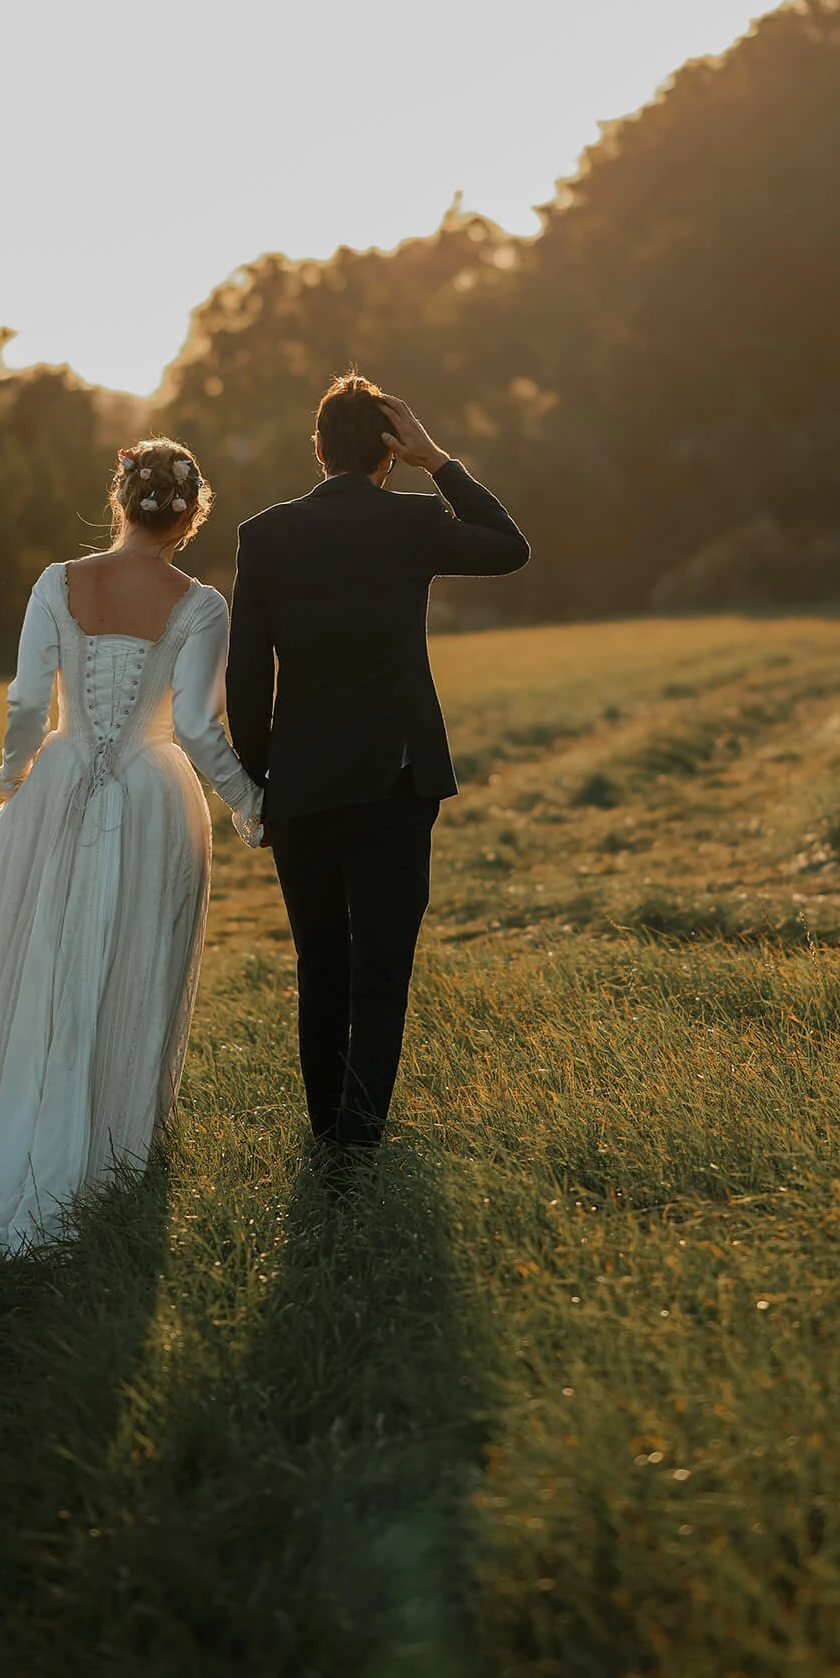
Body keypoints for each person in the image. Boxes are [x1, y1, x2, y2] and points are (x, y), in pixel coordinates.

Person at [0, 439, 262, 1253]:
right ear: (191, 515)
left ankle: (1, 1135)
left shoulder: (57, 583)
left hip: (59, 776)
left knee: (31, 959)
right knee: (123, 964)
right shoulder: (201, 603)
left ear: (121, 501)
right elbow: (191, 725)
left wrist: (12, 775)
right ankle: (102, 1146)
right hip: (151, 795)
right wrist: (250, 801)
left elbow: (26, 700)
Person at [226, 376, 528, 1173]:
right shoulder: (412, 519)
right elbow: (508, 547)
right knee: (381, 972)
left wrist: (258, 781)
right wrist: (440, 462)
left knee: (318, 965)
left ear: (318, 449)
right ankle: (358, 1146)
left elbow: (247, 675)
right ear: (387, 456)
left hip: (299, 786)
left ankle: (327, 1135)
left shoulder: (263, 535)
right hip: (396, 784)